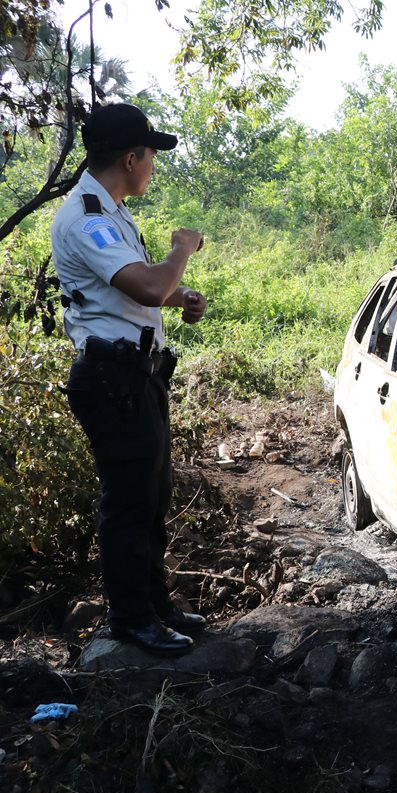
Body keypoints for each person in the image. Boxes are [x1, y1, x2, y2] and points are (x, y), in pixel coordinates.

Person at [51, 103, 206, 656]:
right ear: (132, 157)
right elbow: (143, 287)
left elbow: (135, 290)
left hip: (137, 374)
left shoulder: (110, 210)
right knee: (130, 501)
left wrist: (180, 293)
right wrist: (181, 251)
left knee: (153, 493)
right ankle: (131, 621)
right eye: (152, 158)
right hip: (111, 379)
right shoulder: (87, 216)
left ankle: (155, 605)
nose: (154, 168)